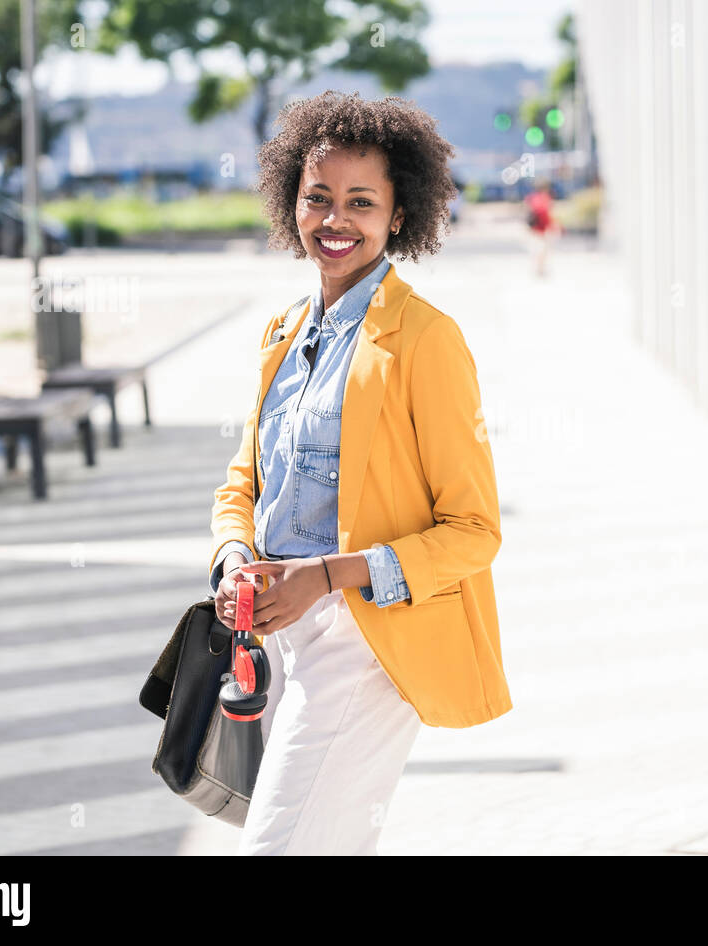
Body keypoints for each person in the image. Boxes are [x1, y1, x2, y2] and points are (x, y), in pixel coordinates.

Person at [207, 90, 512, 856]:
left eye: (360, 201)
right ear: (291, 201)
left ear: (399, 214)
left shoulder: (425, 342)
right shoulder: (284, 331)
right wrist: (233, 556)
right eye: (318, 198)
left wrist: (329, 574)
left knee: (278, 846)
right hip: (273, 636)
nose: (335, 220)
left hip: (367, 641)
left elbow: (473, 534)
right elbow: (241, 483)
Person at [525, 178, 560, 278]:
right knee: (542, 249)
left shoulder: (531, 197)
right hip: (541, 227)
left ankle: (539, 268)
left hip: (533, 227)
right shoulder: (545, 198)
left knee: (538, 248)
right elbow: (545, 213)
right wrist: (552, 225)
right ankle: (540, 269)